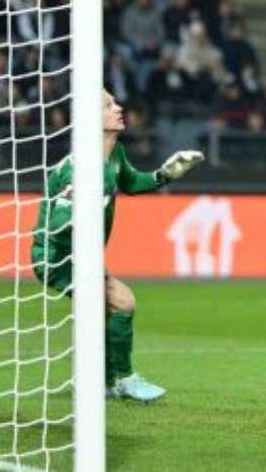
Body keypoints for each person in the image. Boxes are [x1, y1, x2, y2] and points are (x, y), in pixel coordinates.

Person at [31, 89, 204, 402]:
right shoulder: (80, 169)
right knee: (122, 302)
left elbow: (132, 182)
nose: (119, 107)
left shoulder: (114, 154)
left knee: (106, 310)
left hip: (81, 256)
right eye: (108, 105)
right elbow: (58, 225)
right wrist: (78, 220)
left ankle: (104, 381)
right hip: (57, 256)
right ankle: (123, 379)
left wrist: (165, 175)